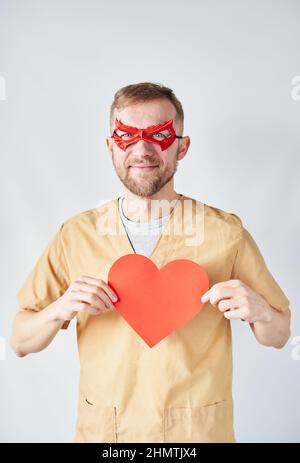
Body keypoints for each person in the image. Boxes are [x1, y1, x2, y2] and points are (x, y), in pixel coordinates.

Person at [11, 82, 291, 443]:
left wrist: (263, 313)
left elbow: (280, 335)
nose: (142, 149)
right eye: (127, 136)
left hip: (195, 437)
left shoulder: (226, 234)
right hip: (107, 436)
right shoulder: (76, 235)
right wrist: (60, 308)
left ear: (182, 146)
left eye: (159, 135)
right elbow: (20, 341)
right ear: (111, 146)